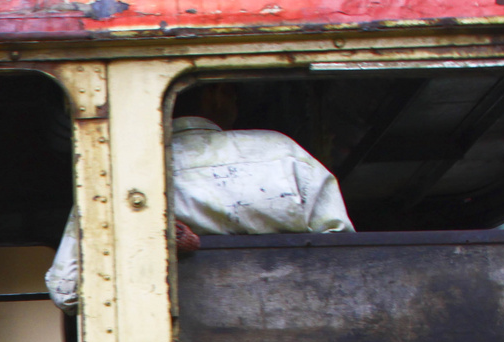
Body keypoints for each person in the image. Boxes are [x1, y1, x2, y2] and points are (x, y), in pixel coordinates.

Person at [47, 83, 353, 310]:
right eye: (232, 93)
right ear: (215, 95)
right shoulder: (281, 151)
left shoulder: (115, 176)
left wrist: (150, 250)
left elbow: (66, 290)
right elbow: (344, 255)